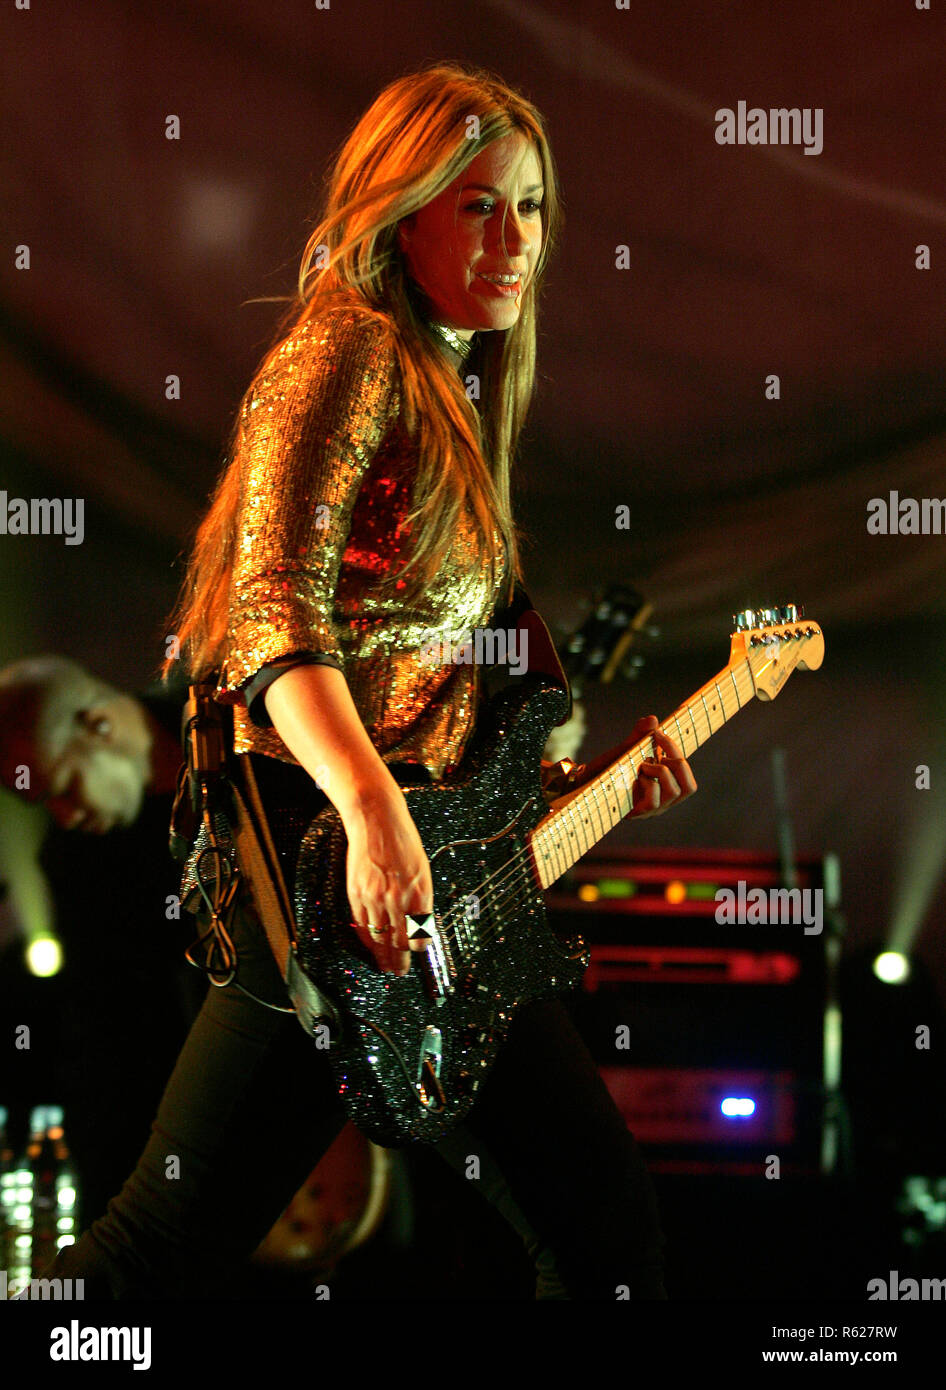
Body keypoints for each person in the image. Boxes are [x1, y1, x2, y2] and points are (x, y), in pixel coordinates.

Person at [33, 61, 696, 1301]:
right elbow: (271, 614)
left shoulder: (447, 382)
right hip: (333, 878)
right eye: (477, 206)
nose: (515, 241)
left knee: (601, 1232)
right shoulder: (342, 351)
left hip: (415, 887)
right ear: (400, 210)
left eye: (534, 208)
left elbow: (435, 703)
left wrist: (579, 781)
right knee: (154, 1255)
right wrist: (373, 816)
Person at [0, 657, 206, 1226]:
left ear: (99, 726)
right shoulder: (72, 863)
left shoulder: (245, 721)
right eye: (43, 803)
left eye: (64, 787)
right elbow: (106, 1046)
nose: (65, 818)